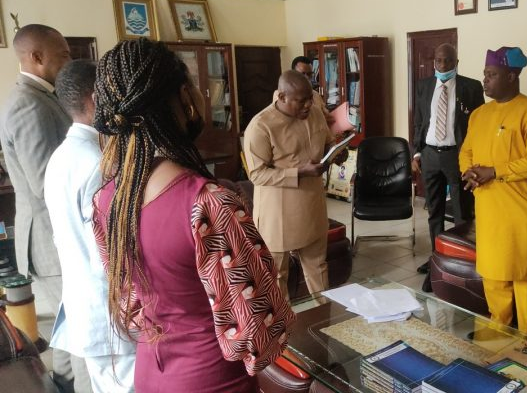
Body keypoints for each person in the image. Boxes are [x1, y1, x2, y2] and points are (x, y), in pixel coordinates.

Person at [92, 38, 294, 393]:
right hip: (212, 379)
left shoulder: (107, 200)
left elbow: (129, 303)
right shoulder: (208, 203)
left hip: (151, 373)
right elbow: (259, 326)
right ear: (185, 97)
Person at [45, 60, 136, 392]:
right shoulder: (99, 164)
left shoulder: (61, 157)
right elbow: (112, 253)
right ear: (98, 99)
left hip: (87, 307)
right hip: (110, 311)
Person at [0, 23, 77, 391]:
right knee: (76, 327)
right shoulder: (28, 104)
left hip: (55, 235)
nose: (68, 61)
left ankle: (63, 385)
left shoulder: (43, 97)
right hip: (51, 238)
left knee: (69, 327)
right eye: (63, 55)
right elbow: (47, 182)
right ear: (36, 57)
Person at [459, 47, 527, 336]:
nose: (485, 80)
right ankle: (497, 335)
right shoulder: (479, 114)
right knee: (492, 271)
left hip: (519, 206)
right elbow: (467, 151)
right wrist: (469, 172)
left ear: (512, 76)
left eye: (492, 74)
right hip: (487, 204)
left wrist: (495, 171)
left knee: (523, 273)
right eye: (485, 74)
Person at [244, 70, 340, 299]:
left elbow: (328, 141)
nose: (308, 105)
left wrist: (336, 152)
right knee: (277, 275)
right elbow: (257, 174)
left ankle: (323, 316)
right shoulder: (260, 126)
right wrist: (299, 173)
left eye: (310, 99)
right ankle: (283, 321)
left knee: (318, 267)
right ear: (282, 97)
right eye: (301, 101)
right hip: (278, 214)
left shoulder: (315, 113)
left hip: (312, 206)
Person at [412, 43, 484, 292]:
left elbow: (479, 126)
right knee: (434, 212)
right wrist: (417, 152)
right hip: (430, 155)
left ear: (456, 62)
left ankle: (461, 262)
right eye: (439, 61)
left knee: (462, 213)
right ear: (434, 62)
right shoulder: (423, 86)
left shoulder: (471, 87)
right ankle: (437, 259)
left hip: (457, 156)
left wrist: (474, 160)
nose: (443, 66)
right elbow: (419, 121)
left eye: (448, 61)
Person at [273, 56, 334, 126]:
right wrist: (318, 119)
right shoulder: (283, 95)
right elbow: (284, 121)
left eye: (309, 74)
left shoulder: (316, 94)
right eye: (302, 74)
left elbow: (325, 114)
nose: (306, 78)